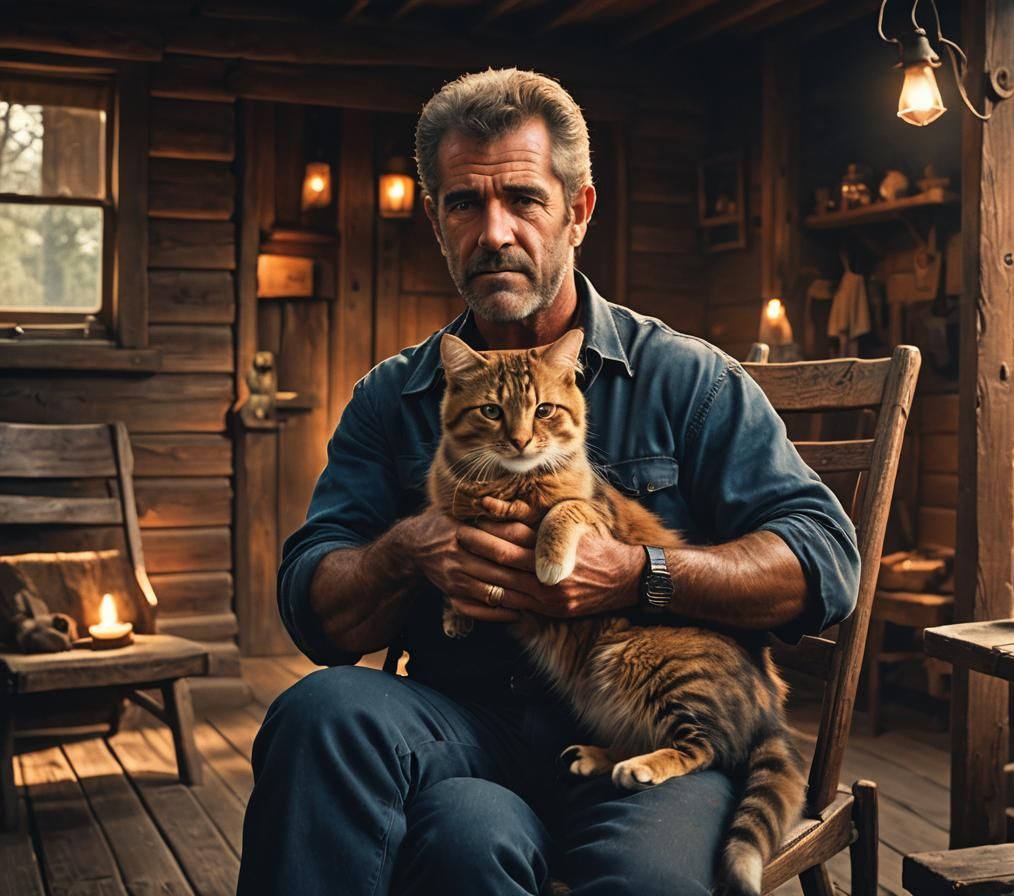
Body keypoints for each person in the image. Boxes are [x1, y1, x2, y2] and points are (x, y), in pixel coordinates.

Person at [237, 68, 860, 896]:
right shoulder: (394, 395)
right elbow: (313, 608)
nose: (494, 232)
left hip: (646, 723)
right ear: (436, 220)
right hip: (462, 725)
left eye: (524, 199)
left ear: (579, 211)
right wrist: (407, 551)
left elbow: (824, 560)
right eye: (465, 203)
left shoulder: (688, 379)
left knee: (578, 868)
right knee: (321, 715)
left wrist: (639, 575)